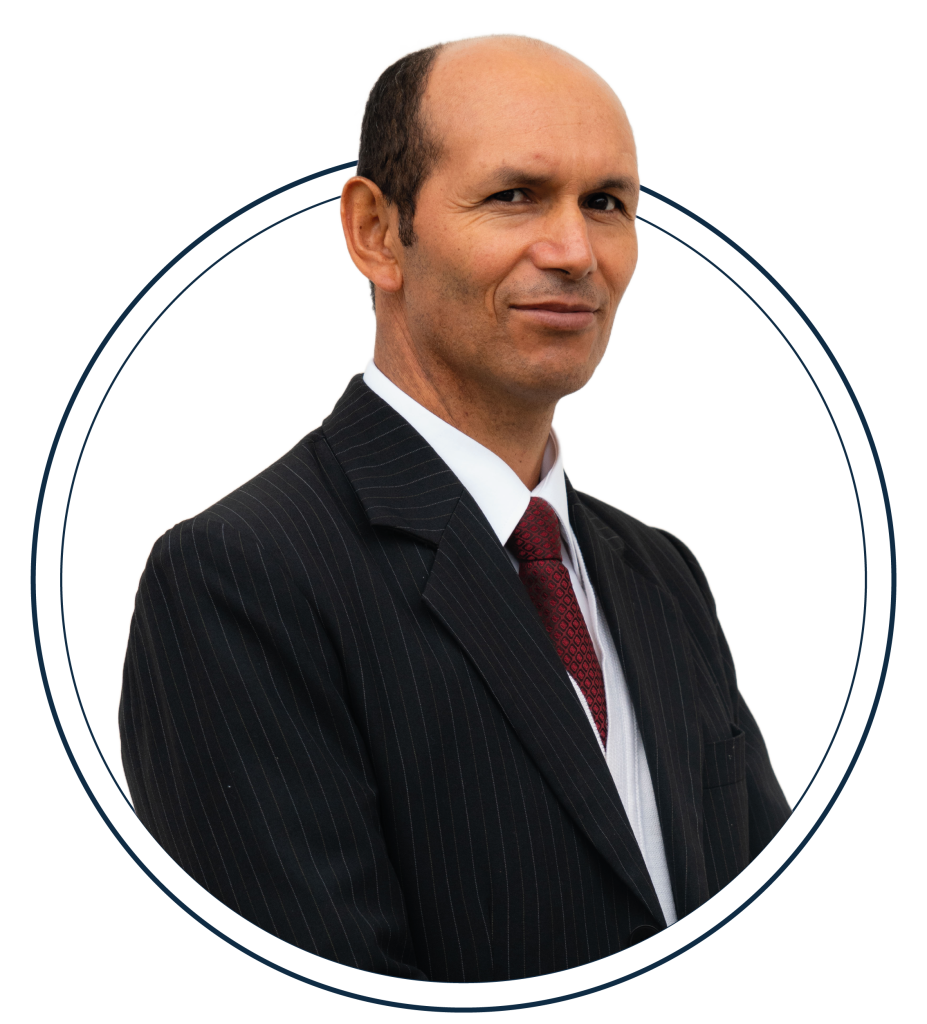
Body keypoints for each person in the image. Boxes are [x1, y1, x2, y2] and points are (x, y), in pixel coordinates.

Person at [117, 32, 791, 982]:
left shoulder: (661, 571)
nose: (574, 252)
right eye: (514, 195)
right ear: (375, 232)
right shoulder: (240, 576)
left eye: (606, 203)